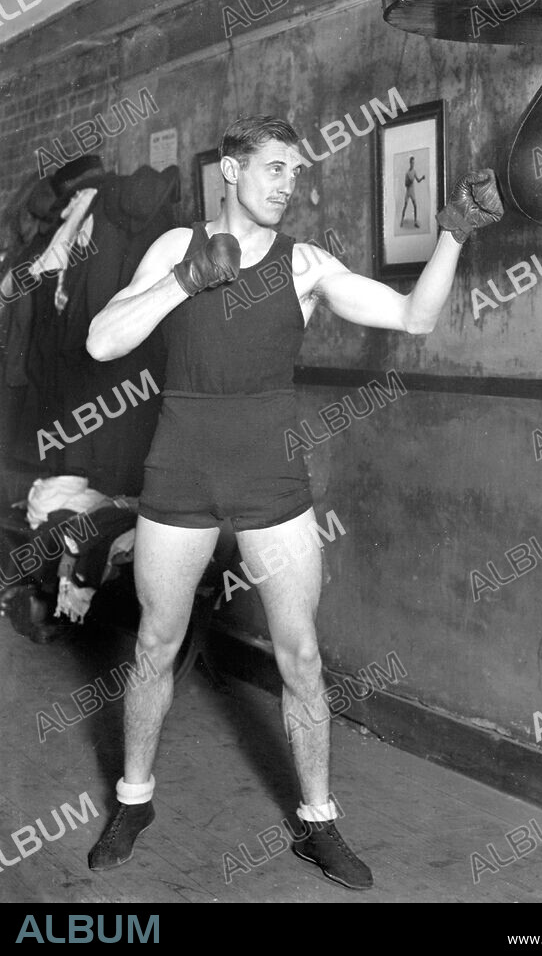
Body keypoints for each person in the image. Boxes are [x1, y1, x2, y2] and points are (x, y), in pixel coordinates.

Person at [85, 114, 503, 890]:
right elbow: (101, 343)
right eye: (275, 167)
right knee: (154, 643)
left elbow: (415, 316)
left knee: (301, 652)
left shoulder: (306, 264)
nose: (289, 183)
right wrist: (183, 281)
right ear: (231, 172)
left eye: (295, 172)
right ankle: (133, 800)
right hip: (177, 471)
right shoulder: (176, 248)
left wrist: (453, 232)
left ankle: (317, 821)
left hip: (271, 480)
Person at [399, 155, 426, 229]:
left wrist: (422, 178)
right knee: (405, 206)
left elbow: (417, 180)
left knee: (415, 206)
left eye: (414, 163)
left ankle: (415, 222)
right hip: (408, 192)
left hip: (412, 192)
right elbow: (405, 184)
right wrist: (409, 182)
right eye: (412, 163)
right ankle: (401, 221)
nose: (413, 164)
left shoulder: (414, 171)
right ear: (409, 163)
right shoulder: (407, 173)